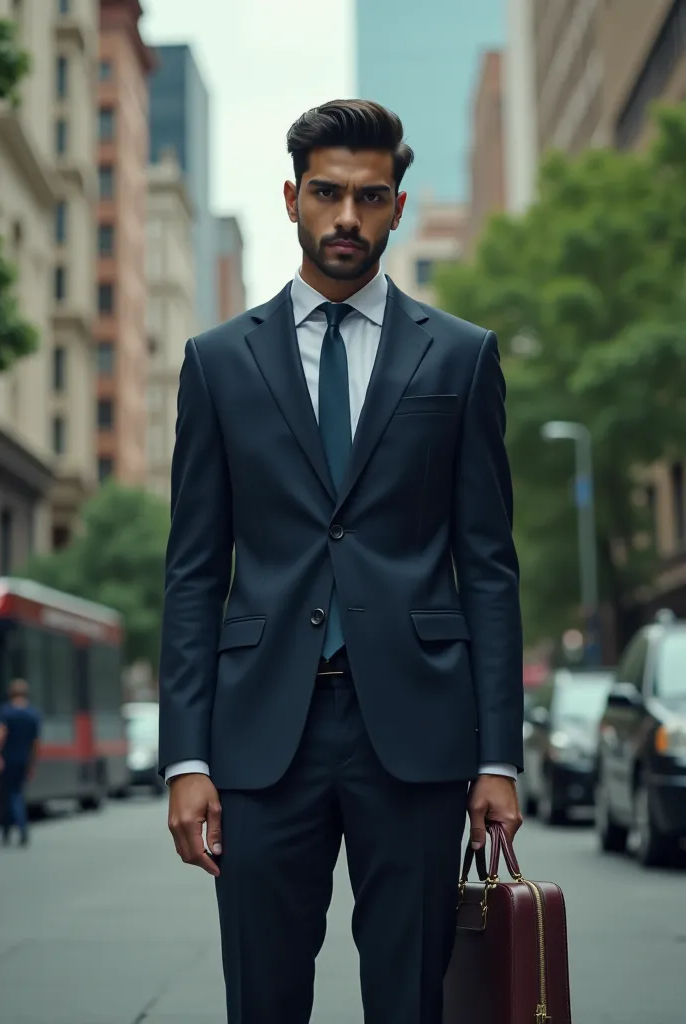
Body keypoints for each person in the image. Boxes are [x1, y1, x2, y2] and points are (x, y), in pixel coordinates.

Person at [159, 99, 524, 1024]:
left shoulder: (463, 358)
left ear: (398, 207)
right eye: (327, 193)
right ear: (292, 200)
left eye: (369, 197)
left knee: (409, 997)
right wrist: (186, 757)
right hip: (257, 736)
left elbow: (487, 567)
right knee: (264, 996)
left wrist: (498, 758)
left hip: (417, 730)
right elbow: (195, 570)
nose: (347, 218)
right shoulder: (216, 364)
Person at [0, 679, 40, 847]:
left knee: (9, 794)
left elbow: (0, 735)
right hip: (24, 758)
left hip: (7, 759)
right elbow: (36, 743)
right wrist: (32, 764)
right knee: (16, 793)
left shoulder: (5, 712)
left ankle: (17, 829)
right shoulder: (32, 714)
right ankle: (12, 830)